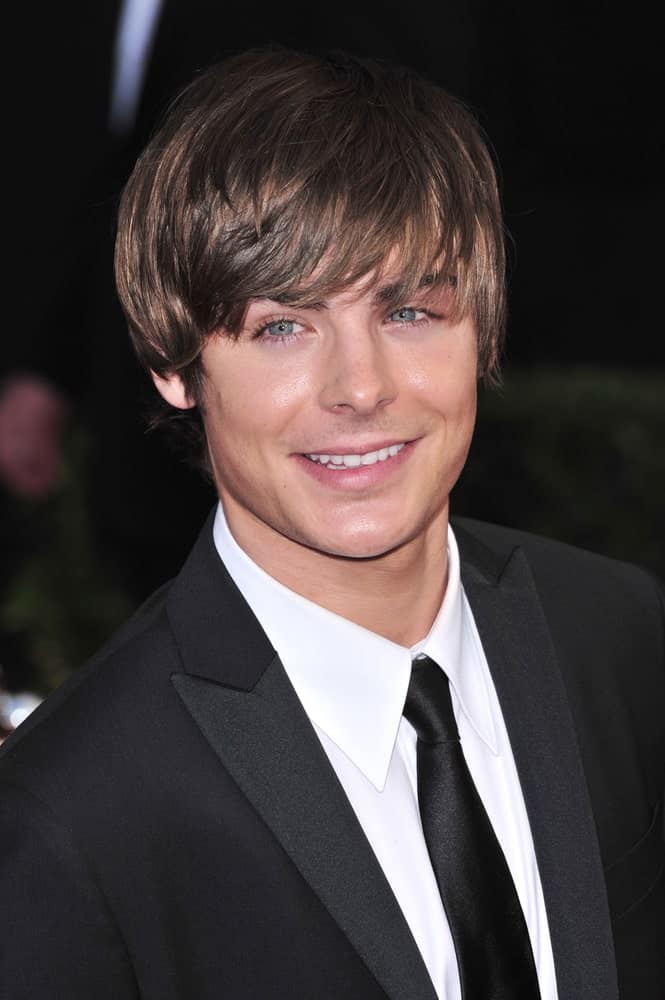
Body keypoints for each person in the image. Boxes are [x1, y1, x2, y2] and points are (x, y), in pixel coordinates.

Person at [1, 46, 663, 1000]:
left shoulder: (619, 636)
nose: (361, 388)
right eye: (282, 326)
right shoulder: (71, 818)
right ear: (174, 366)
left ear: (481, 327)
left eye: (408, 311)